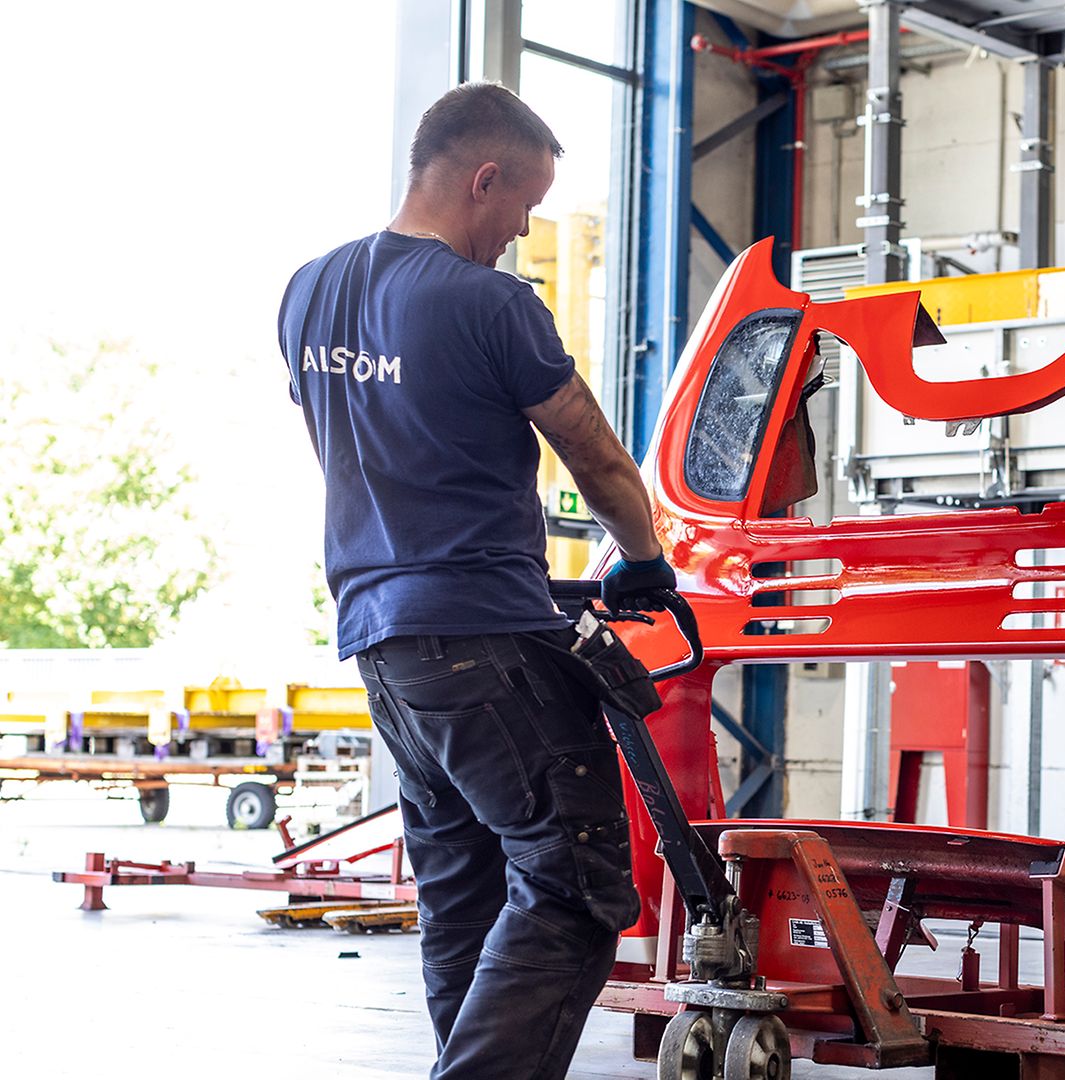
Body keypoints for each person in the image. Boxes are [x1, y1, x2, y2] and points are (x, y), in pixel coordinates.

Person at [278, 81, 681, 1079]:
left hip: (383, 645)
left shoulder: (309, 290)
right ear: (484, 178)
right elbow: (595, 457)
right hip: (486, 636)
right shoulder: (492, 303)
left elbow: (371, 445)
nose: (524, 233)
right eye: (525, 207)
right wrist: (644, 557)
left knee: (465, 886)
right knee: (575, 883)